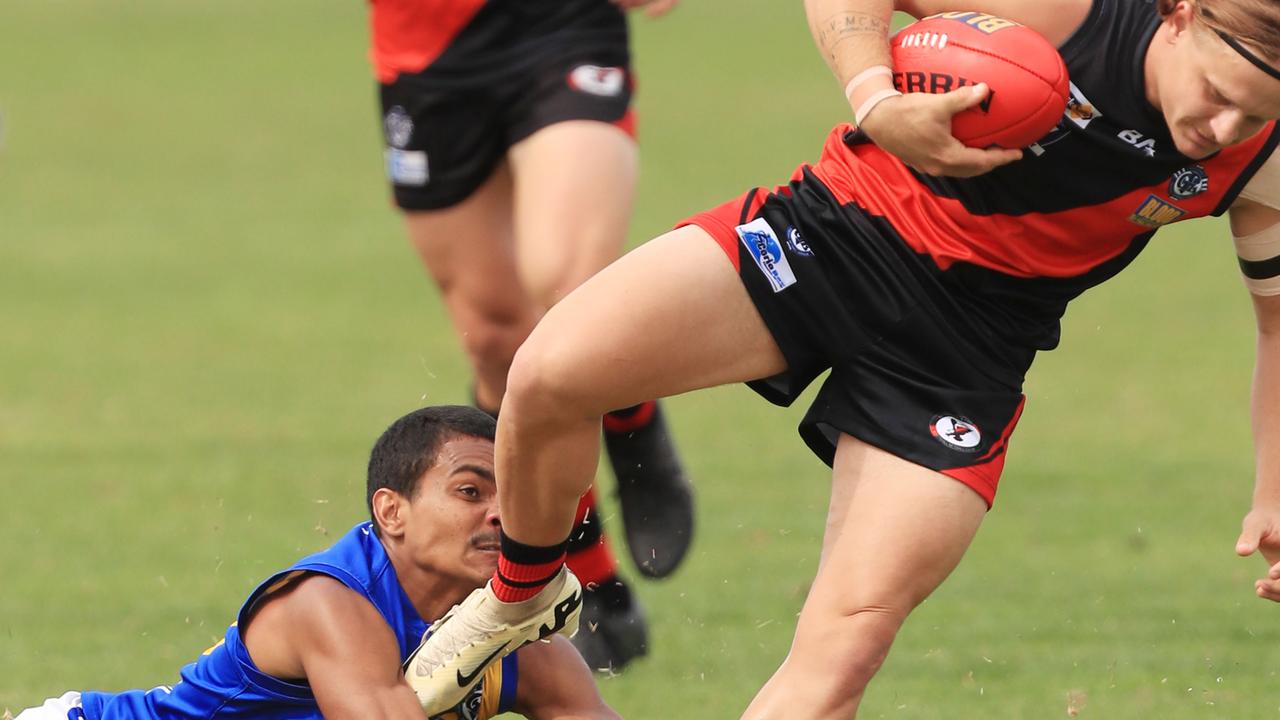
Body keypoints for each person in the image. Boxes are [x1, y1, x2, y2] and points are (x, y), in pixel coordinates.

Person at [400, 0, 1280, 716]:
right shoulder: (1066, 12)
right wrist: (877, 98)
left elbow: (1278, 326)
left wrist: (1276, 491)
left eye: (1255, 114)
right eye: (1217, 91)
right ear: (1179, 14)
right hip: (835, 232)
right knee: (551, 371)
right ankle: (521, 601)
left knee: (844, 650)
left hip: (968, 355)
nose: (1224, 126)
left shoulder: (1263, 155)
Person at [367, 0, 694, 672]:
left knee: (573, 290)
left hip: (559, 23)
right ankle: (588, 569)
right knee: (495, 341)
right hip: (427, 49)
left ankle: (633, 425)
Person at [12, 405, 617, 720]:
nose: (498, 515)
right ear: (392, 512)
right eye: (469, 491)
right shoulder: (329, 606)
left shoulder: (515, 634)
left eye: (507, 497)